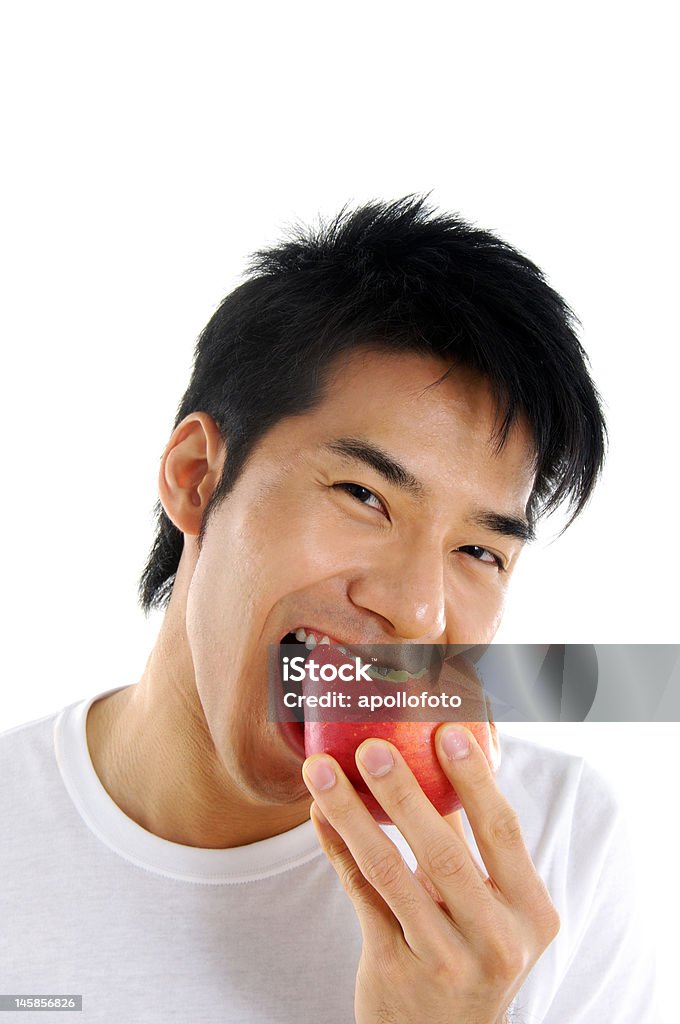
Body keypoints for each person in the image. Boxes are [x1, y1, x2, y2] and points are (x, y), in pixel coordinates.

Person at [0, 197, 659, 1022]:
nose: (418, 611)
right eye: (364, 495)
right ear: (198, 477)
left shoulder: (557, 850)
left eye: (479, 552)